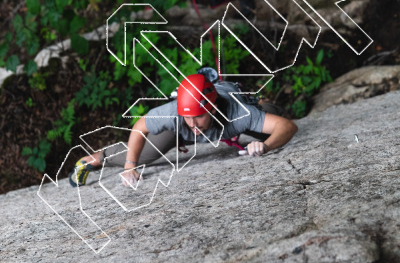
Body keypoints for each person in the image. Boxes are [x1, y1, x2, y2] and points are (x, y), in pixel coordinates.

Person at [69, 73, 298, 187]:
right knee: (145, 155)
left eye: (198, 116)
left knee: (272, 119)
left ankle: (261, 103)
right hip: (177, 134)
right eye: (187, 117)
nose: (193, 123)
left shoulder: (238, 113)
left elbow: (287, 126)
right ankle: (91, 160)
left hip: (238, 110)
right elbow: (140, 127)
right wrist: (130, 166)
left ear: (213, 108)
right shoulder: (175, 113)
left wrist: (265, 146)